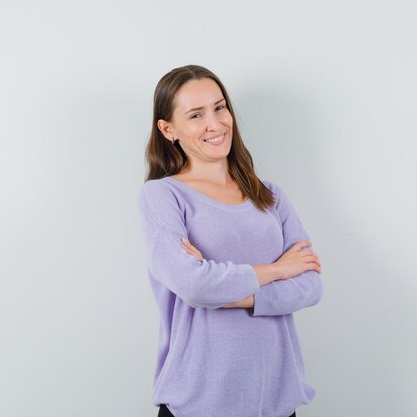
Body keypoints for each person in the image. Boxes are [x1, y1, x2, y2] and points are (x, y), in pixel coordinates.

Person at [136, 65, 324, 417]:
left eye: (220, 107)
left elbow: (311, 284)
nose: (215, 123)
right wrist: (279, 270)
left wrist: (227, 293)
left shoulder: (269, 196)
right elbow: (193, 286)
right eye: (196, 115)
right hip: (199, 403)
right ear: (168, 129)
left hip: (276, 402)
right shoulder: (162, 196)